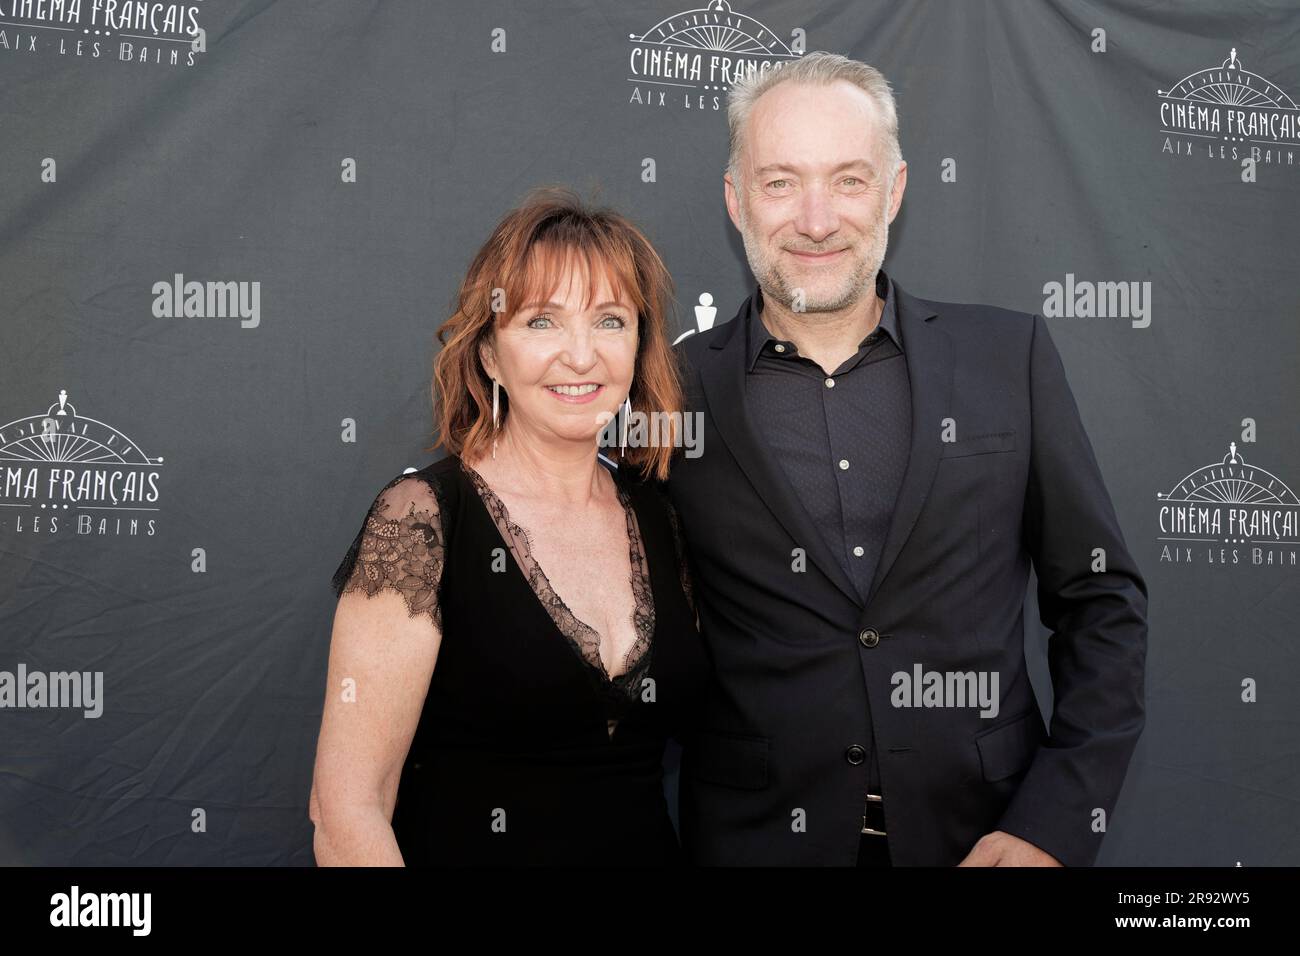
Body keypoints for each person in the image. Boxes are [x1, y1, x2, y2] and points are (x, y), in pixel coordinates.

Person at [664, 52, 1148, 867]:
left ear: (893, 191)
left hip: (985, 840)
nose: (816, 219)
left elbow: (1101, 603)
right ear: (736, 198)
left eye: (849, 181)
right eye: (781, 182)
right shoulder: (667, 392)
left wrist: (1055, 826)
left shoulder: (1008, 357)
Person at [309, 187, 708, 866]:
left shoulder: (661, 514)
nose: (580, 356)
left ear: (640, 346)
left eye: (610, 321)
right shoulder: (423, 520)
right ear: (490, 354)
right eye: (542, 322)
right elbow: (347, 809)